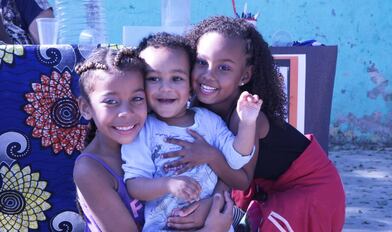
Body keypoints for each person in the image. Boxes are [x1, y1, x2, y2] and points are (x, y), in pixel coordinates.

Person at [162, 16, 346, 231]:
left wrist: (211, 199)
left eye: (224, 68)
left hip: (309, 190)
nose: (208, 75)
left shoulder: (247, 117)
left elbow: (240, 178)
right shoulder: (199, 105)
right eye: (201, 62)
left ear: (244, 75)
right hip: (266, 185)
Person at [121, 32, 262, 231]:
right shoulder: (143, 130)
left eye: (176, 78)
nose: (165, 88)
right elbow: (134, 185)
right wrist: (168, 184)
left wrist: (247, 122)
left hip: (213, 223)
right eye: (153, 78)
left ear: (191, 86)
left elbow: (237, 158)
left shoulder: (208, 121)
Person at [73, 47, 148, 232]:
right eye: (111, 102)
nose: (126, 112)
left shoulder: (154, 139)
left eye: (137, 98)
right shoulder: (89, 170)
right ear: (85, 108)